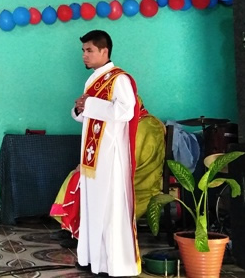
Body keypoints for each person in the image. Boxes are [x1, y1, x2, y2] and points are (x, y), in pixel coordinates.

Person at [51, 96, 166, 250]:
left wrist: (100, 169)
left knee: (95, 186)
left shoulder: (149, 125)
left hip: (138, 179)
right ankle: (71, 228)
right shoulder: (126, 122)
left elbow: (134, 159)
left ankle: (87, 236)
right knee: (77, 177)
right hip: (116, 171)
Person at [71, 30, 141, 276]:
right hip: (93, 156)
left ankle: (114, 265)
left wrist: (89, 104)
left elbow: (126, 111)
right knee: (92, 207)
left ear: (104, 51)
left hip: (111, 156)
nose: (84, 55)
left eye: (89, 50)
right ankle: (92, 259)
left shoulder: (119, 78)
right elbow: (92, 117)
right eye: (83, 50)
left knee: (110, 209)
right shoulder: (93, 80)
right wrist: (80, 109)